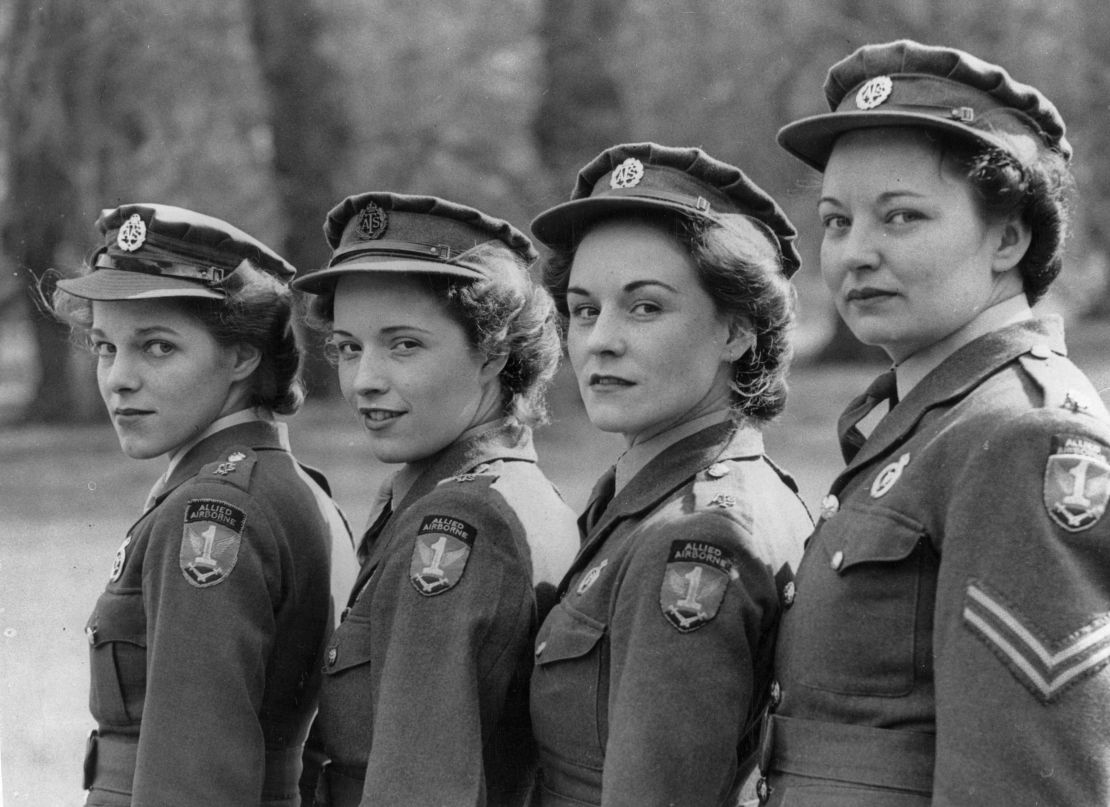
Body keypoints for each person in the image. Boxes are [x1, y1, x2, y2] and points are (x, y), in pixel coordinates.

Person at [759, 39, 1110, 806]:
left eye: (902, 217)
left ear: (1009, 237)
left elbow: (1026, 780)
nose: (856, 253)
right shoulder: (926, 421)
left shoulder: (1022, 433)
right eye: (837, 221)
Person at [526, 142, 812, 807]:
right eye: (585, 309)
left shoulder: (693, 535)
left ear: (737, 330)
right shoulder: (652, 496)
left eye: (645, 307)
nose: (600, 339)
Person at [50, 203, 354, 806]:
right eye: (105, 347)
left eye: (157, 348)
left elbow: (193, 783)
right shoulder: (285, 484)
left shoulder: (214, 511)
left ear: (243, 356)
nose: (118, 378)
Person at [291, 192, 579, 807]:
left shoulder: (460, 525)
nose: (364, 378)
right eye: (347, 347)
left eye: (404, 345)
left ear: (494, 354)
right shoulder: (506, 492)